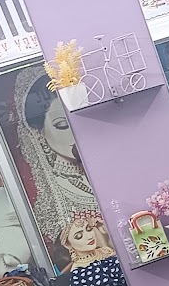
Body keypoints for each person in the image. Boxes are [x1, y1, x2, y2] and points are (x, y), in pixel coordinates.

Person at [11, 68, 118, 272]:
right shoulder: (46, 193)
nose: (75, 134)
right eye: (62, 125)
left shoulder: (111, 165)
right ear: (39, 132)